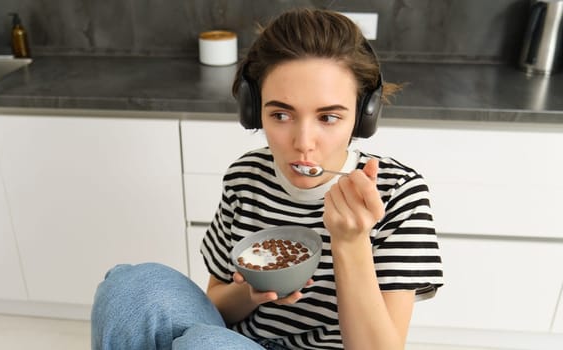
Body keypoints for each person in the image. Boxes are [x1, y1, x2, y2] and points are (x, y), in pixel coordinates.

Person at [91, 8, 444, 350]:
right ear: (253, 110)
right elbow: (216, 304)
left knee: (204, 344)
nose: (303, 143)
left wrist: (350, 242)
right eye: (281, 114)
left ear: (364, 115)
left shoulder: (397, 194)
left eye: (328, 118)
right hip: (237, 342)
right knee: (128, 286)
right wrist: (251, 292)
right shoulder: (247, 177)